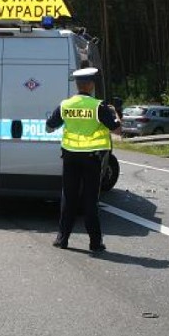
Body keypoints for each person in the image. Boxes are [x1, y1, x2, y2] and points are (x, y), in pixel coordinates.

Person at [46, 67, 121, 253]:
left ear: (78, 85)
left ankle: (61, 239)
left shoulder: (65, 105)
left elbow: (49, 127)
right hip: (92, 159)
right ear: (90, 85)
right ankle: (95, 243)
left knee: (68, 198)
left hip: (70, 157)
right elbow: (117, 130)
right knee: (90, 201)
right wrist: (116, 114)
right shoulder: (98, 106)